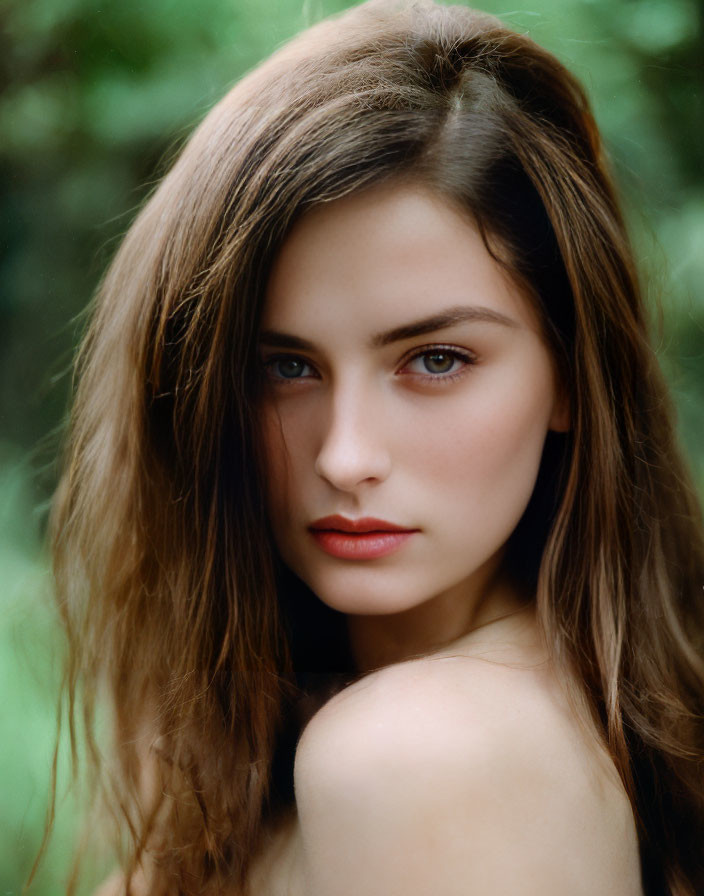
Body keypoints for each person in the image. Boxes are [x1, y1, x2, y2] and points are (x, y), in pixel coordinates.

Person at [48, 1, 704, 894]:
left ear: (571, 380)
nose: (345, 456)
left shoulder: (416, 753)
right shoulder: (568, 716)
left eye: (436, 359)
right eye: (284, 367)